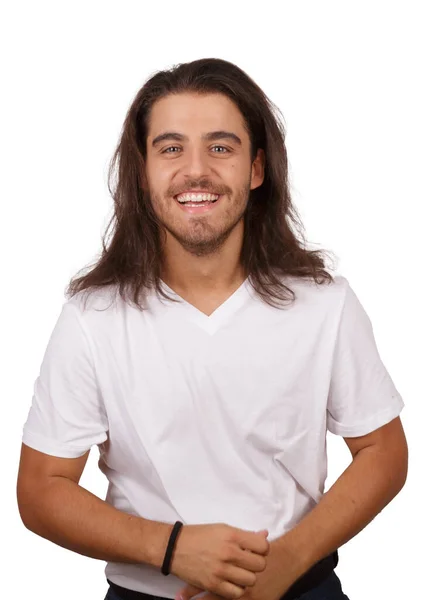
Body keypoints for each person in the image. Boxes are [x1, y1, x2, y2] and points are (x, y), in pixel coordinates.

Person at [17, 58, 408, 600]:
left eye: (220, 147)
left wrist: (286, 563)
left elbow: (383, 452)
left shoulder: (325, 303)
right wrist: (172, 548)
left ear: (256, 168)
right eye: (171, 148)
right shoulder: (91, 318)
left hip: (301, 588)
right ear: (144, 169)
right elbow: (40, 490)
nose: (195, 170)